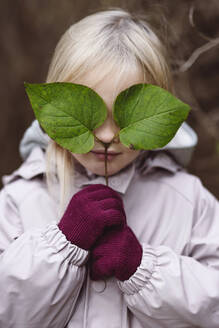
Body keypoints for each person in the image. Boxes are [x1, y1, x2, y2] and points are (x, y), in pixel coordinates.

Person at [0, 8, 219, 328]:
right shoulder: (18, 199)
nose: (105, 136)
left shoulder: (187, 199)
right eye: (91, 115)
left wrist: (143, 268)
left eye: (124, 118)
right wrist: (63, 243)